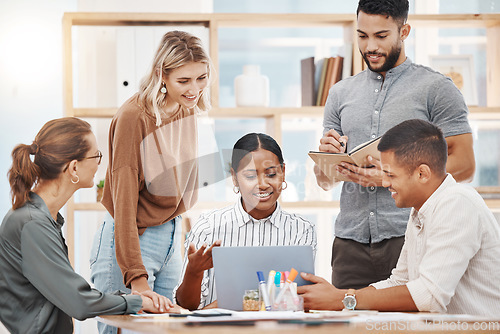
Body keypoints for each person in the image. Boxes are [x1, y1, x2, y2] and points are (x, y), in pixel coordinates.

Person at [314, 0, 475, 289]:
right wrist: (328, 160)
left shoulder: (436, 89)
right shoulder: (339, 93)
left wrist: (392, 176)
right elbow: (325, 182)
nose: (370, 46)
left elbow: (465, 165)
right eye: (362, 36)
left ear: (404, 31)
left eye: (381, 36)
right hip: (349, 244)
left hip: (411, 235)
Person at [298, 119, 500, 317]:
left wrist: (342, 299)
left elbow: (429, 296)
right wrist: (339, 297)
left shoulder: (457, 203)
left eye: (391, 175)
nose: (384, 183)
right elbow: (399, 281)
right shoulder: (421, 209)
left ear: (422, 174)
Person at [90, 30, 213, 333]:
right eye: (183, 81)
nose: (194, 89)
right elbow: (123, 205)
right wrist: (136, 278)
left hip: (169, 239)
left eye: (201, 78)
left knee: (169, 329)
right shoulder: (134, 117)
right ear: (162, 74)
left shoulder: (187, 109)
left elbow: (182, 186)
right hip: (130, 238)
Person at [0, 117, 166, 334]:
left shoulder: (39, 218)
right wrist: (137, 302)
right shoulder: (32, 224)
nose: (99, 163)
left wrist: (130, 299)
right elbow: (79, 301)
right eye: (96, 156)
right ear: (74, 168)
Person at [174, 133, 317, 310]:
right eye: (250, 176)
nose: (262, 184)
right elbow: (185, 306)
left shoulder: (301, 230)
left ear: (283, 173)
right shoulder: (208, 227)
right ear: (234, 177)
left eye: (271, 174)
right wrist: (193, 272)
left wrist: (221, 305)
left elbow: (302, 299)